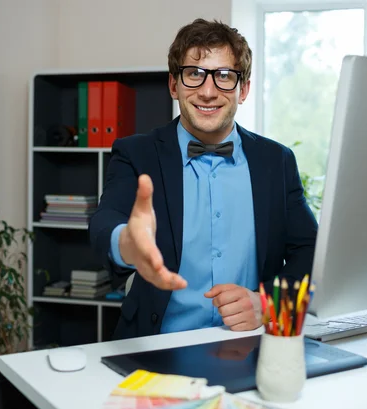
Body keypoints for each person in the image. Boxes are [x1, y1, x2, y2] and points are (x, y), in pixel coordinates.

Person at [89, 18, 318, 340]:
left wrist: (269, 303)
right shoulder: (135, 152)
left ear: (244, 89)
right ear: (174, 85)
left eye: (225, 76)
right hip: (155, 347)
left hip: (251, 343)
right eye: (194, 74)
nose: (208, 92)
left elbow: (308, 249)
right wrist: (126, 243)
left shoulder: (276, 161)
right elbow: (104, 221)